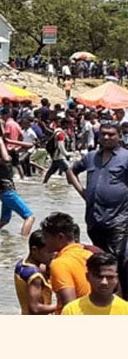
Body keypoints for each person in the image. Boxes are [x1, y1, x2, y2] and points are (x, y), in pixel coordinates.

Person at [65, 122, 128, 297]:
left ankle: (122, 299)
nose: (107, 137)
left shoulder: (125, 157)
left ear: (120, 136)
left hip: (119, 218)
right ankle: (102, 296)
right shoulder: (91, 157)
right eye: (104, 134)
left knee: (118, 259)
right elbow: (71, 171)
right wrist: (82, 192)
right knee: (99, 259)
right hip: (93, 218)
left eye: (111, 134)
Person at [0, 118, 35, 236]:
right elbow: (7, 159)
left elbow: (30, 145)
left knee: (4, 220)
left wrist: (9, 141)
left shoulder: (0, 154)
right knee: (30, 217)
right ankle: (23, 242)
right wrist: (1, 143)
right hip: (7, 192)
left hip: (6, 191)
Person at [41, 212, 92, 313]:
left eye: (46, 236)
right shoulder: (89, 255)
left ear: (60, 237)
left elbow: (70, 306)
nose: (43, 241)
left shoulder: (59, 264)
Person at [61, 252, 128, 315]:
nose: (104, 282)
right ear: (87, 277)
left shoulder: (125, 309)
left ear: (116, 278)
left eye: (110, 277)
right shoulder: (71, 310)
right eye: (99, 277)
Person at [14, 230, 56, 315]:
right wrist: (61, 305)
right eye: (49, 252)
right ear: (34, 250)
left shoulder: (21, 264)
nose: (53, 255)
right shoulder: (35, 276)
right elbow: (35, 308)